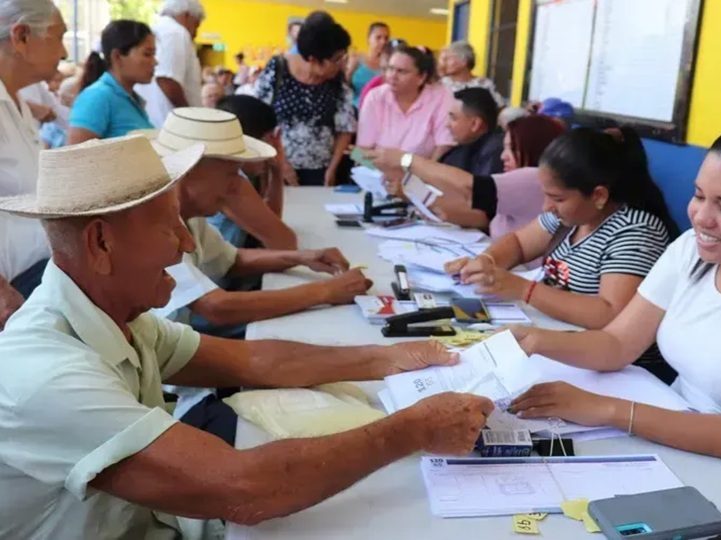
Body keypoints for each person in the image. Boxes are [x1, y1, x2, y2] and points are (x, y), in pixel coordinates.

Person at [0, 134, 493, 539]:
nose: (188, 243)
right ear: (101, 243)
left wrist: (390, 357)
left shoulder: (121, 318)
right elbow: (246, 489)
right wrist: (412, 429)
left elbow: (254, 361)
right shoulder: (47, 373)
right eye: (169, 228)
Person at [506, 119, 721, 531]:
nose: (702, 218)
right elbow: (618, 343)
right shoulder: (690, 250)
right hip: (672, 440)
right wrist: (532, 339)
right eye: (698, 195)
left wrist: (609, 410)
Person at [142, 107, 369, 334]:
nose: (235, 186)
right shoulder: (153, 226)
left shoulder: (190, 217)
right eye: (231, 175)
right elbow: (215, 307)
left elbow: (231, 259)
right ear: (187, 171)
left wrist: (304, 257)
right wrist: (325, 291)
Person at [445, 127, 676, 333]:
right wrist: (487, 260)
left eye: (557, 198)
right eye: (545, 194)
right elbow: (518, 242)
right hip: (553, 335)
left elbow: (610, 313)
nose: (547, 207)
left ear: (598, 195)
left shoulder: (637, 232)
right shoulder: (569, 218)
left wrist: (524, 289)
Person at [364, 115, 564, 237]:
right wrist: (409, 187)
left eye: (512, 149)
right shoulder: (465, 154)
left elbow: (468, 187)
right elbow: (470, 213)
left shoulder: (533, 179)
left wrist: (406, 160)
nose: (503, 157)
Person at [0, 0, 67, 329]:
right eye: (59, 36)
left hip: (39, 274)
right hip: (13, 291)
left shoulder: (17, 101)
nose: (66, 52)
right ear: (21, 36)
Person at [254, 11, 356, 186]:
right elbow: (258, 120)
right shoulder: (278, 69)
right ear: (313, 60)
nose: (341, 64)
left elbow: (345, 128)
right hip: (276, 166)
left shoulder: (337, 82)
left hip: (320, 172)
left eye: (343, 57)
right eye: (336, 59)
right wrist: (282, 164)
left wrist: (332, 169)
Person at [212, 95, 297, 250]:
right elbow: (284, 243)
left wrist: (276, 170)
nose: (272, 147)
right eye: (268, 139)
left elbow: (271, 219)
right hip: (217, 273)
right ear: (249, 141)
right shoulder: (229, 184)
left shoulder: (225, 170)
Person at [358, 45, 454, 165]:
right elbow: (361, 152)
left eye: (401, 71)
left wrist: (424, 176)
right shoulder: (375, 97)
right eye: (390, 69)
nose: (393, 76)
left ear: (421, 77)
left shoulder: (441, 96)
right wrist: (384, 175)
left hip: (424, 176)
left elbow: (444, 145)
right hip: (378, 174)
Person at [67, 20, 156, 144]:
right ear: (117, 56)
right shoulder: (97, 97)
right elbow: (75, 157)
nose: (155, 62)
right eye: (147, 54)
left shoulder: (130, 99)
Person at [135, 0, 205, 127]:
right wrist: (190, 116)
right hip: (172, 124)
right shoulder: (175, 33)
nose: (195, 33)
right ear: (187, 15)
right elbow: (167, 80)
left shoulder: (157, 29)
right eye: (196, 25)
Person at [439, 87, 503, 176]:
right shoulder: (462, 149)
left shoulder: (493, 152)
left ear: (475, 124)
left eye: (453, 118)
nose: (447, 125)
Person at [440, 41, 504, 107]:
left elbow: (500, 107)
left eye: (448, 59)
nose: (443, 63)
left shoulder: (484, 84)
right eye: (443, 59)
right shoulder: (441, 84)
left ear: (463, 61)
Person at [345, 22, 389, 107]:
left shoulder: (389, 65)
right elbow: (343, 87)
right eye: (378, 37)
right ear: (369, 39)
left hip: (377, 112)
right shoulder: (356, 59)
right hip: (354, 110)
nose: (383, 42)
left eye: (386, 38)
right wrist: (350, 70)